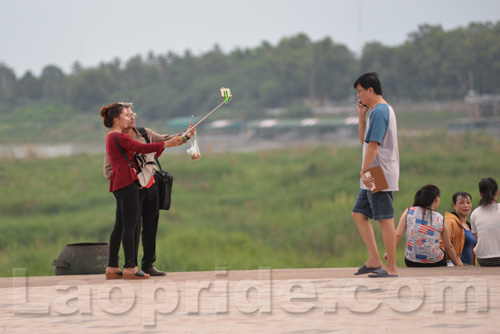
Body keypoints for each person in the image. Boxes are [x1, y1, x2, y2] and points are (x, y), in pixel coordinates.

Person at [100, 102, 194, 279]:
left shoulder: (113, 136)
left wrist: (184, 136)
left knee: (120, 225)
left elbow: (156, 144)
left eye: (131, 114)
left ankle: (113, 267)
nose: (130, 117)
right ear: (116, 119)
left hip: (129, 183)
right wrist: (167, 145)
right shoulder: (120, 137)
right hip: (128, 183)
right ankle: (131, 267)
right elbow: (142, 148)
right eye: (126, 115)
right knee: (130, 226)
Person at [351, 72, 399, 278]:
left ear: (371, 90)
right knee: (359, 213)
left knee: (385, 219)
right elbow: (364, 140)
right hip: (373, 172)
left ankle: (391, 267)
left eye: (360, 92)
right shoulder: (374, 112)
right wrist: (361, 116)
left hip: (377, 172)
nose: (359, 96)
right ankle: (374, 260)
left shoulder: (380, 111)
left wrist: (364, 170)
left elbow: (373, 145)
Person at [394, 184, 463, 267]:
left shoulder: (409, 211)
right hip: (435, 262)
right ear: (437, 199)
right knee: (441, 250)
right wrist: (458, 265)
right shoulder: (440, 218)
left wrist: (389, 253)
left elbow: (397, 235)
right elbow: (448, 247)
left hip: (411, 261)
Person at [439, 192, 476, 265]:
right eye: (461, 203)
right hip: (456, 267)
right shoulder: (450, 222)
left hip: (469, 267)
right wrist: (456, 262)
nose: (466, 206)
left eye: (468, 203)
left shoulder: (469, 226)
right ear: (454, 205)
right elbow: (443, 245)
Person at [471, 177, 500, 267]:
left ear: (480, 194)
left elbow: (477, 238)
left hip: (484, 259)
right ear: (497, 192)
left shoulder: (475, 213)